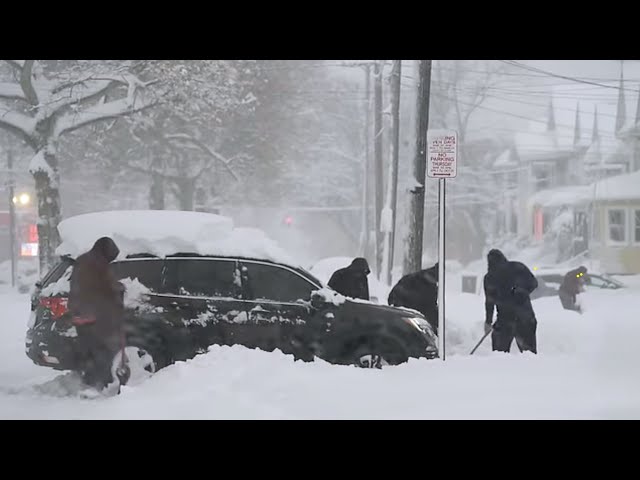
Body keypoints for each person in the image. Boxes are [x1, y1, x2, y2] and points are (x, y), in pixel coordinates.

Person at [68, 236, 125, 394]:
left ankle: (87, 381)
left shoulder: (84, 260)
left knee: (88, 350)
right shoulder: (98, 264)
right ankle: (97, 385)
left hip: (80, 313)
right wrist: (118, 289)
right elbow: (104, 286)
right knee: (101, 350)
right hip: (92, 315)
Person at [483, 249, 538, 354]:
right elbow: (533, 283)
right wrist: (488, 322)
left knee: (499, 354)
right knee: (529, 354)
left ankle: (502, 368)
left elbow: (489, 302)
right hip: (521, 317)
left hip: (513, 318)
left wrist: (488, 321)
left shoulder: (490, 277)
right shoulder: (517, 268)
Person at [388, 262, 438, 333]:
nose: (435, 282)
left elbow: (431, 307)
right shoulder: (409, 281)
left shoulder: (432, 287)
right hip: (407, 319)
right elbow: (393, 298)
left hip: (420, 321)